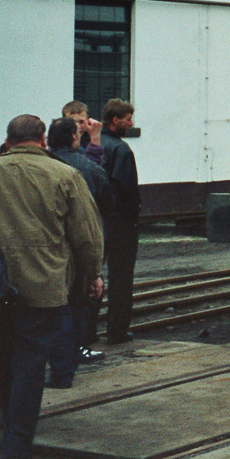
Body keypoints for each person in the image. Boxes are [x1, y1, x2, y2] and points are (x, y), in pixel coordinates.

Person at [0, 115, 104, 458]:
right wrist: (92, 275)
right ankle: (15, 445)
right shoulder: (65, 176)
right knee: (30, 366)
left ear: (8, 139)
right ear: (43, 139)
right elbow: (87, 237)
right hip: (42, 289)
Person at [46, 118, 112, 385]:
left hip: (49, 251)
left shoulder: (44, 167)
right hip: (82, 249)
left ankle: (55, 365)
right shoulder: (89, 169)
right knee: (78, 308)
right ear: (75, 137)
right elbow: (108, 204)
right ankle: (66, 366)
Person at [99, 99, 140, 345]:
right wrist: (133, 219)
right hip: (121, 224)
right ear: (116, 120)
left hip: (98, 220)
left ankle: (86, 332)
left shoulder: (90, 144)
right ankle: (117, 330)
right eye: (128, 119)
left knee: (91, 276)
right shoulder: (121, 149)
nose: (131, 123)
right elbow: (127, 191)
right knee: (121, 279)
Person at [60, 101, 104, 166]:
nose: (77, 126)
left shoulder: (94, 142)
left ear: (87, 121)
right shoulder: (58, 143)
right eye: (73, 122)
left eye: (81, 122)